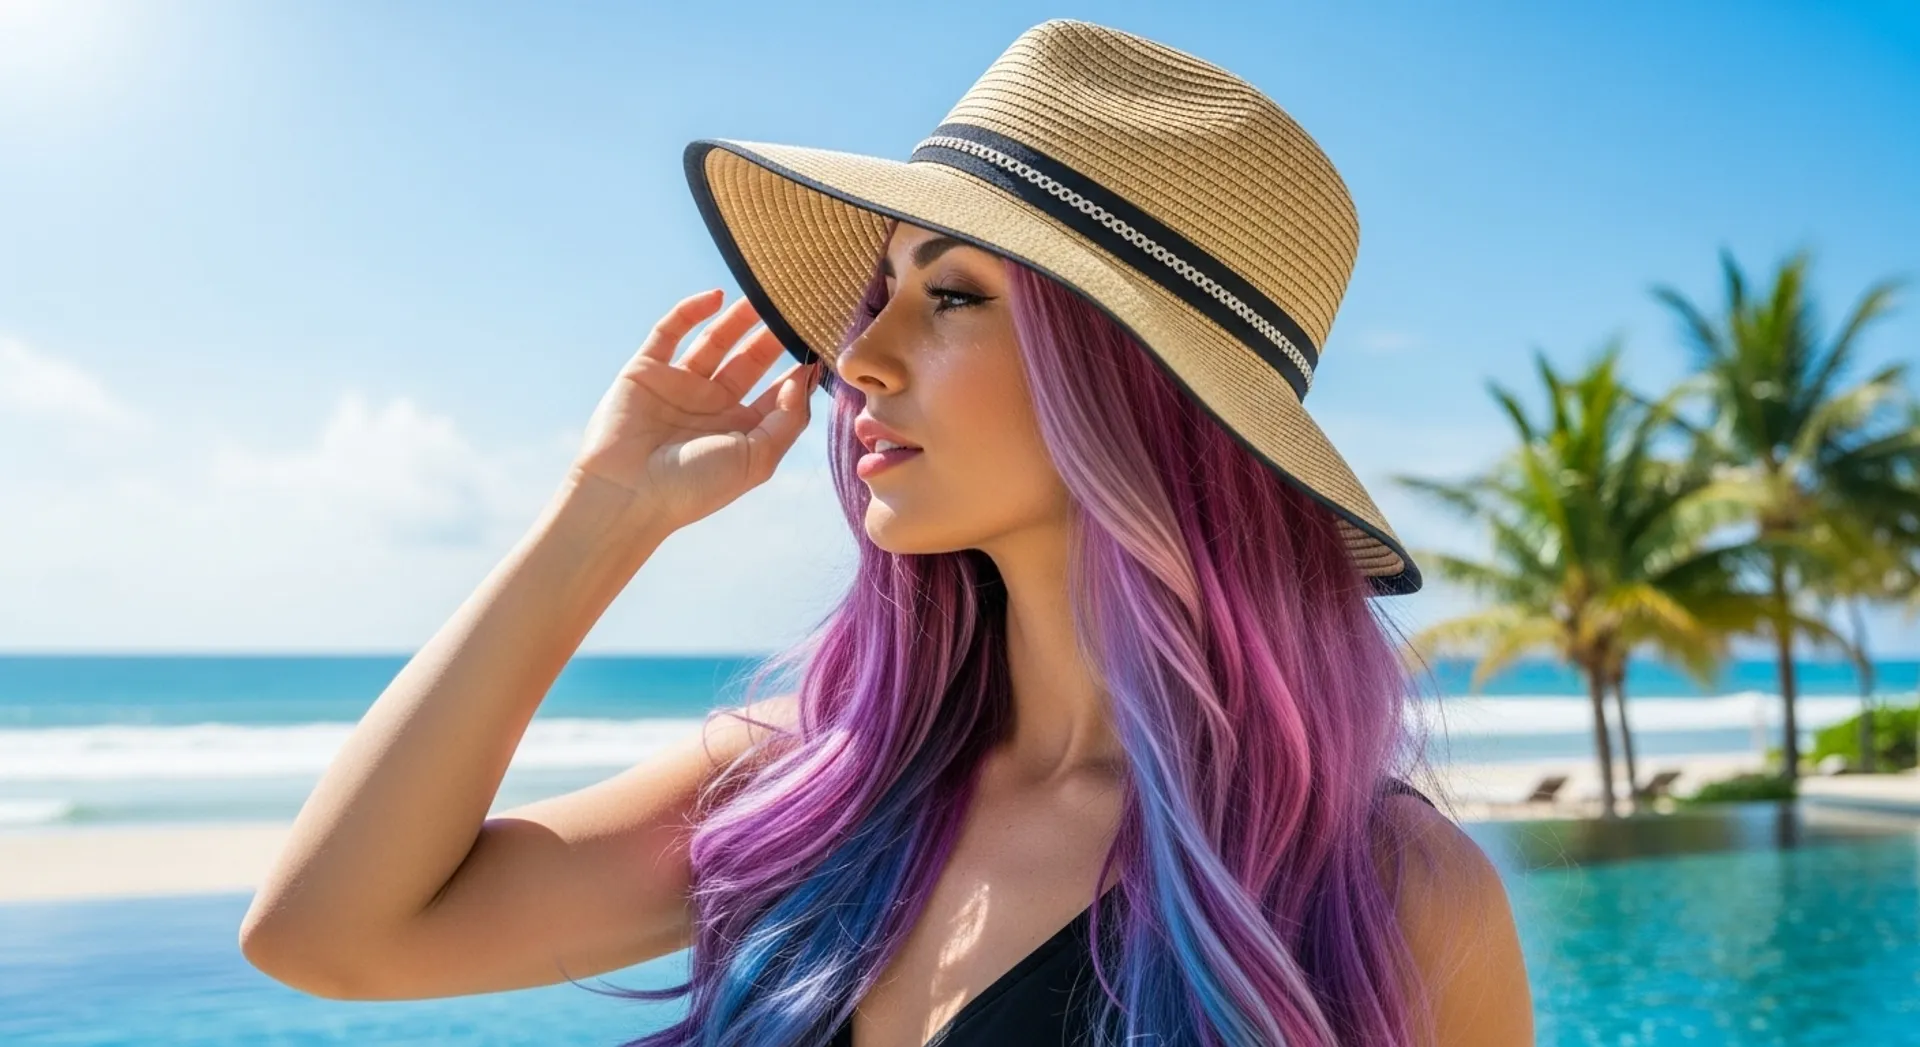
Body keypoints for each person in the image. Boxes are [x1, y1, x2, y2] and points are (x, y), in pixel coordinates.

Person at [241, 18, 1532, 1047]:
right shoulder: (809, 789)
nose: (859, 355)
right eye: (883, 292)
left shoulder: (1380, 889)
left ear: (1136, 385)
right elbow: (332, 936)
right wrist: (606, 515)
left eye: (954, 296)